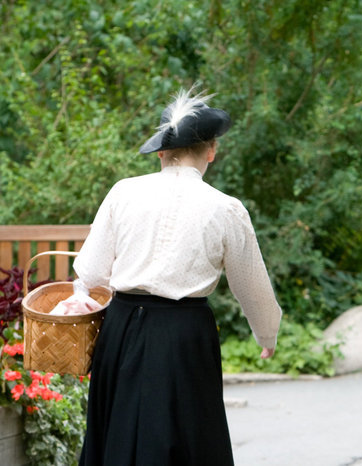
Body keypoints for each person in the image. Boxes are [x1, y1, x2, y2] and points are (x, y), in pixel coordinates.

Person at [73, 87, 283, 465]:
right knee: (184, 436)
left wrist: (81, 294)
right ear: (211, 152)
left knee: (117, 433)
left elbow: (90, 271)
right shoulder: (226, 209)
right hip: (184, 334)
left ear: (161, 153)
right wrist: (266, 333)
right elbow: (250, 284)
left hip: (121, 329)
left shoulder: (124, 192)